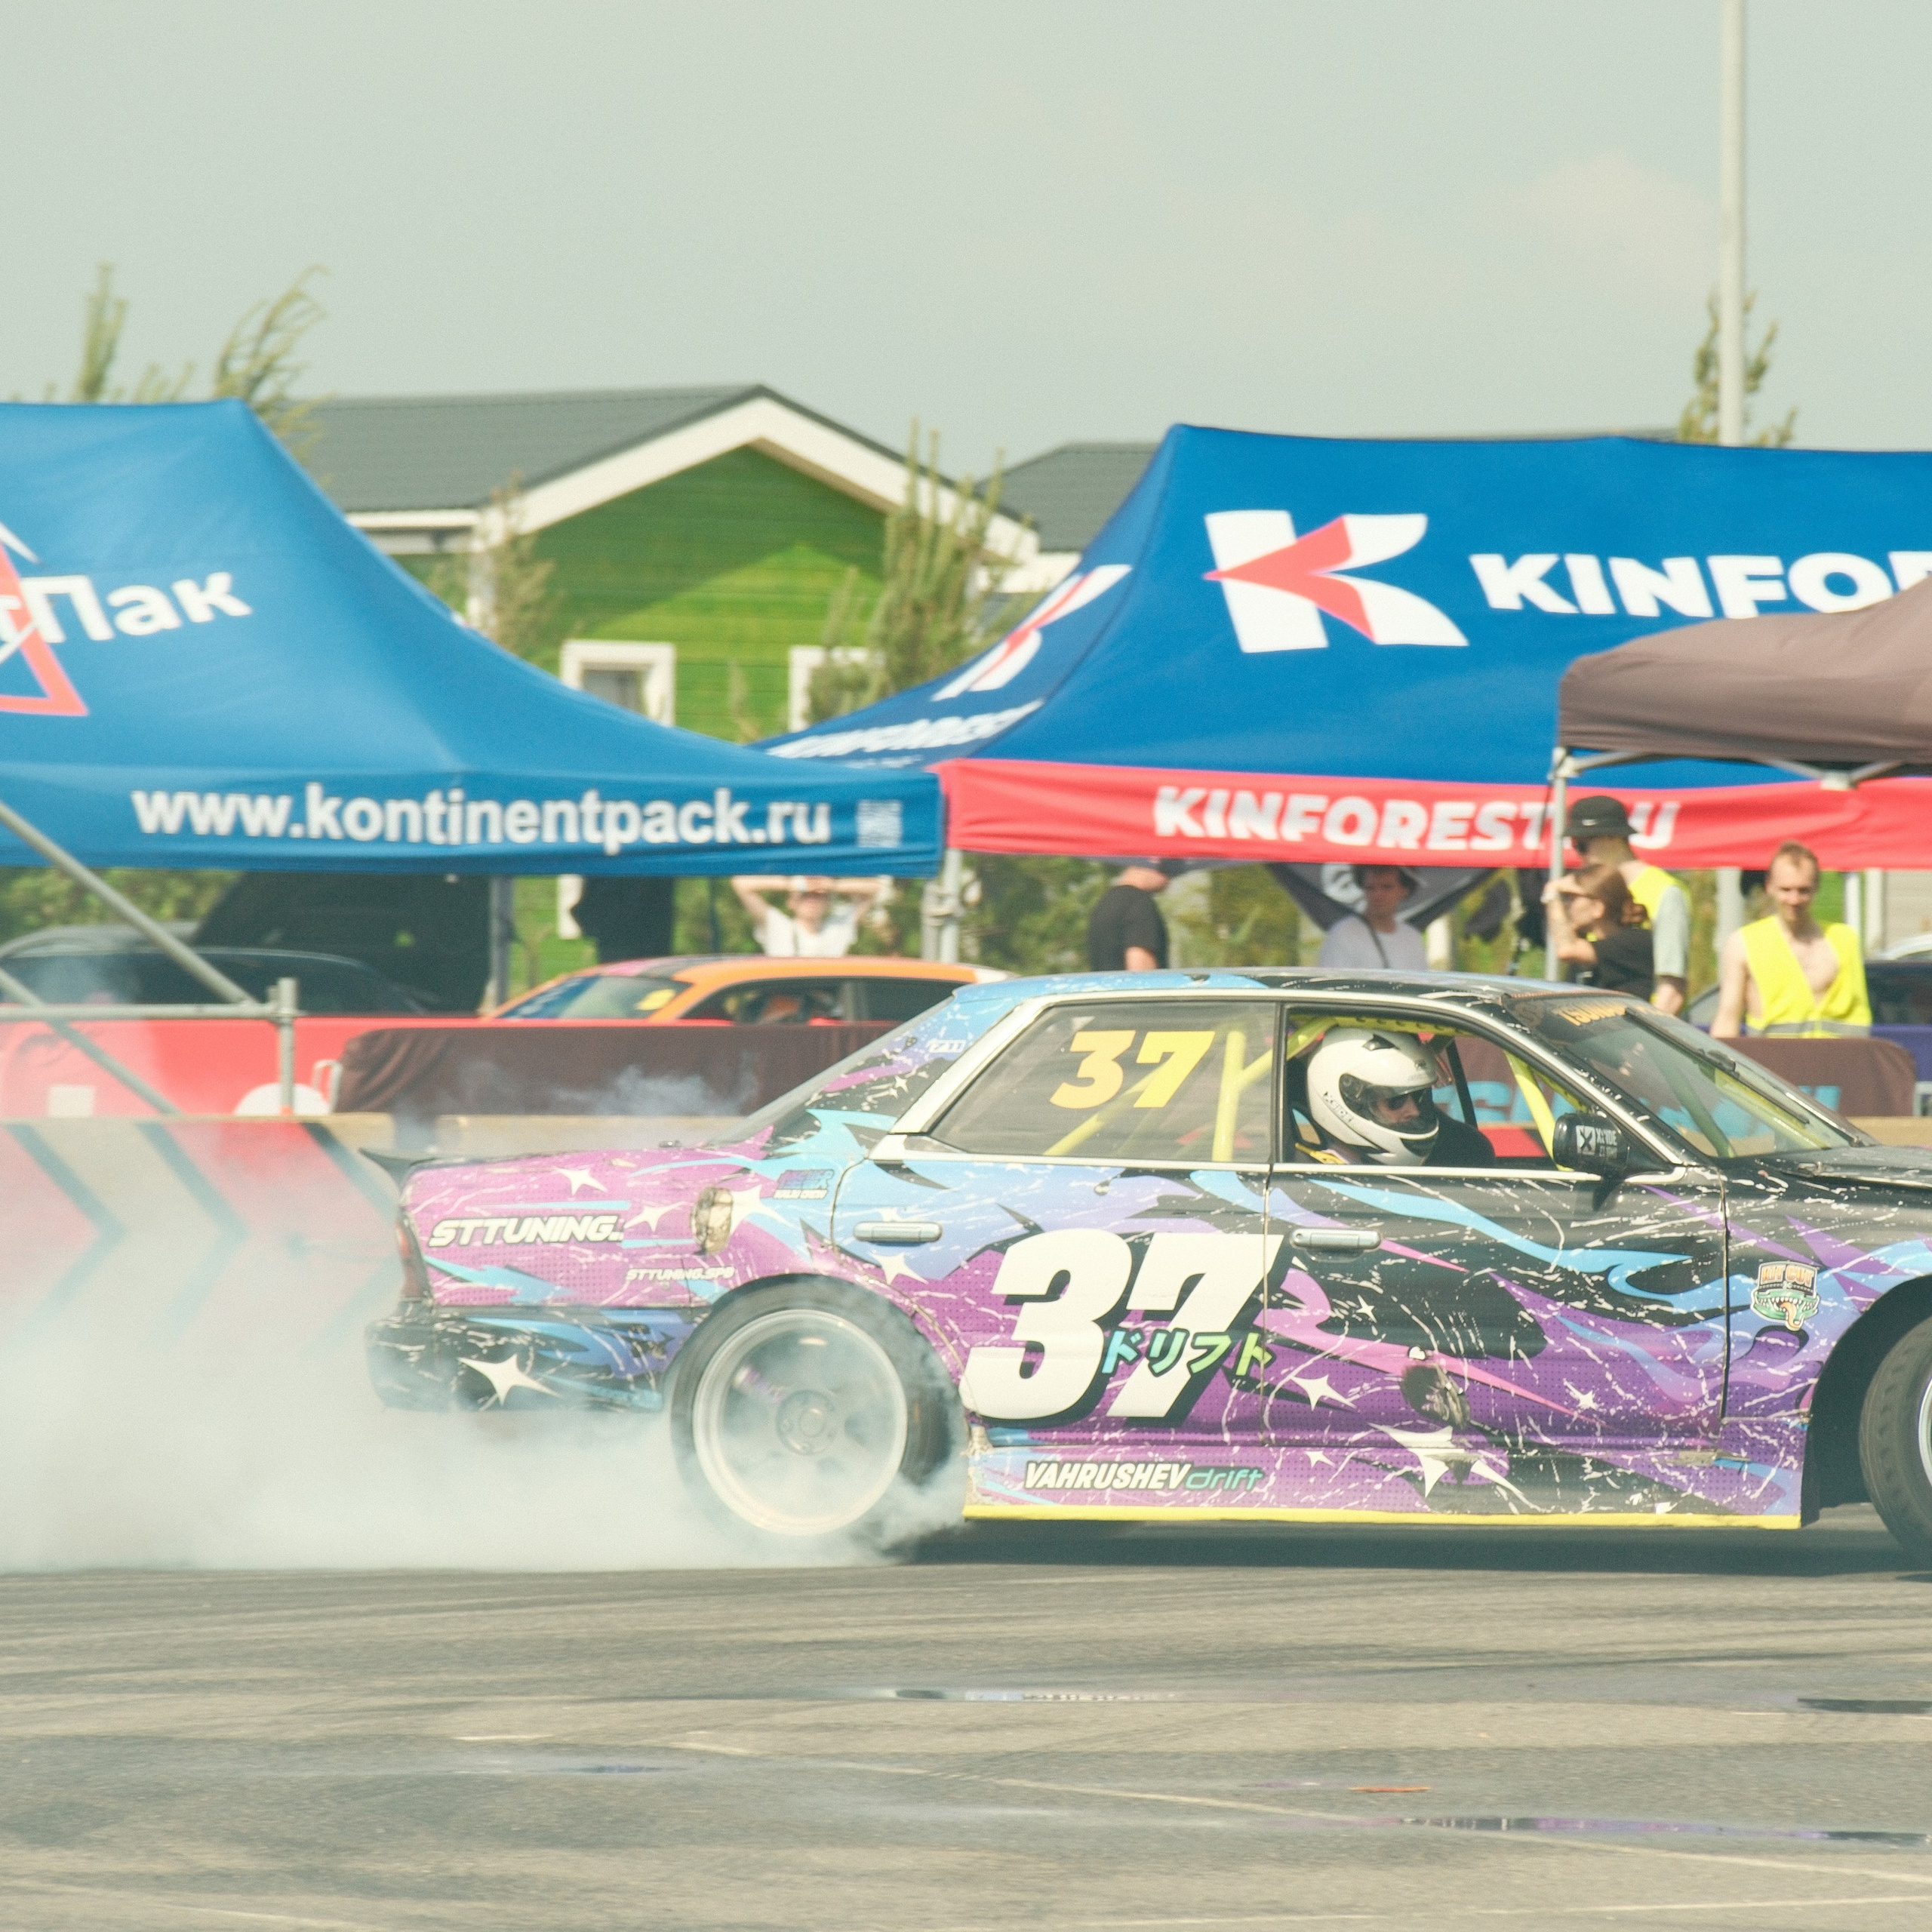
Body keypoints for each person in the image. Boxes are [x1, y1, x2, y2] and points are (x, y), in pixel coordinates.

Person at [1712, 841, 1871, 1037]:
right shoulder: (1743, 943)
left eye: (1803, 890)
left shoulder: (1845, 940)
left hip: (1839, 1065)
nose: (1794, 900)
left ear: (1816, 887)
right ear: (1769, 886)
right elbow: (1727, 1020)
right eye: (1786, 890)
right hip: (1770, 1065)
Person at [1294, 1027, 1494, 1168]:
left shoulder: (1461, 1152)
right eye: (1395, 1101)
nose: (1415, 1111)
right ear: (1348, 1103)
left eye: (1419, 1097)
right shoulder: (1322, 1181)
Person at [1563, 796, 1689, 1014]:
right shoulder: (1588, 889)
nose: (1578, 854)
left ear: (1613, 837)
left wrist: (1645, 1040)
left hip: (1646, 1029)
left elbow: (1671, 990)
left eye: (1582, 845)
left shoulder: (1664, 891)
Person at [1541, 863, 1654, 998]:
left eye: (1573, 898)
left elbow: (1567, 949)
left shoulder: (1636, 941)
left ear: (1597, 908)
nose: (1566, 905)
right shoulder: (1586, 952)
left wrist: (1551, 894)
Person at [731, 875, 880, 958]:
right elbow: (741, 884)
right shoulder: (779, 927)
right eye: (804, 896)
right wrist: (790, 884)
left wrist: (831, 886)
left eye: (819, 896)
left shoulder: (837, 929)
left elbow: (874, 889)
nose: (811, 901)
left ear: (828, 902)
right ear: (790, 902)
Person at [1318, 866, 1427, 971]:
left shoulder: (1412, 937)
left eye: (1386, 887)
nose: (1377, 895)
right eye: (1370, 888)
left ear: (1404, 890)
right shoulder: (1343, 933)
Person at [1088, 863, 1171, 971]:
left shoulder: (1105, 902)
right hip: (1133, 987)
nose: (1170, 878)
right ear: (1154, 860)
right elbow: (1141, 971)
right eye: (1171, 867)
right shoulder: (1139, 903)